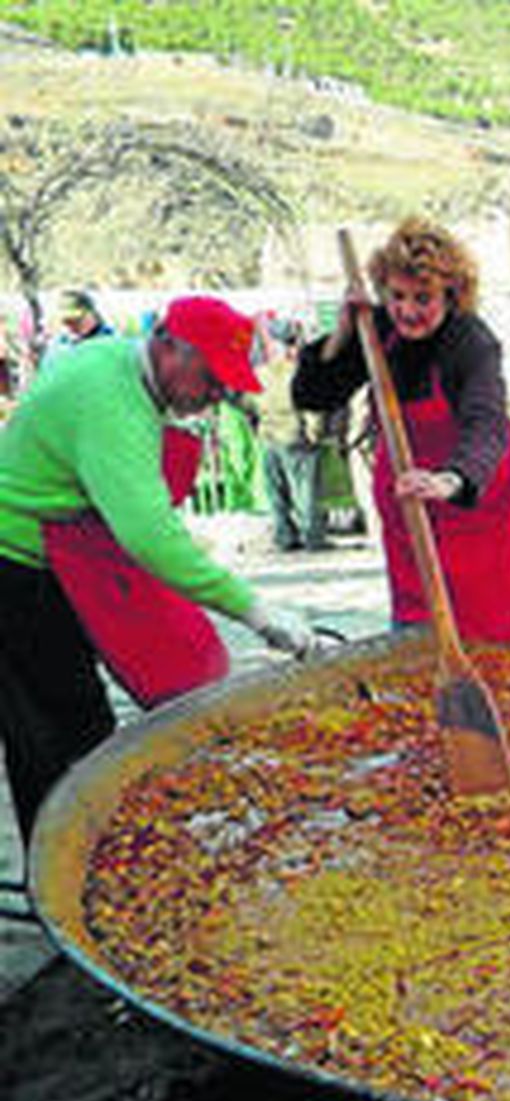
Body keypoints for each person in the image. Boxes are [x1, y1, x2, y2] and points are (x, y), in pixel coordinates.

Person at [0, 295, 315, 850]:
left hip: (72, 559)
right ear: (169, 348)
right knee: (55, 733)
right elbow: (148, 536)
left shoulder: (124, 369)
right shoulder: (110, 398)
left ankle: (93, 853)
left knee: (84, 722)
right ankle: (61, 873)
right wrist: (258, 613)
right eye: (212, 378)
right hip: (16, 569)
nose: (218, 394)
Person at [293, 217, 510, 642]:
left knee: (496, 638)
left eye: (423, 298)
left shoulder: (470, 340)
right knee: (418, 634)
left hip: (474, 507)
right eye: (397, 296)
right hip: (410, 506)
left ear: (451, 293)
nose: (408, 310)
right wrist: (342, 331)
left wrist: (453, 479)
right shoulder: (375, 330)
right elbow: (313, 394)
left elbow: (487, 422)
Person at [255, 320, 329, 552]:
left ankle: (284, 536)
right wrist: (315, 434)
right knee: (305, 491)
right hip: (296, 435)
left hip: (269, 437)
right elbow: (312, 406)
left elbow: (248, 403)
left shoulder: (261, 374)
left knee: (277, 492)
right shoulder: (300, 372)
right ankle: (312, 537)